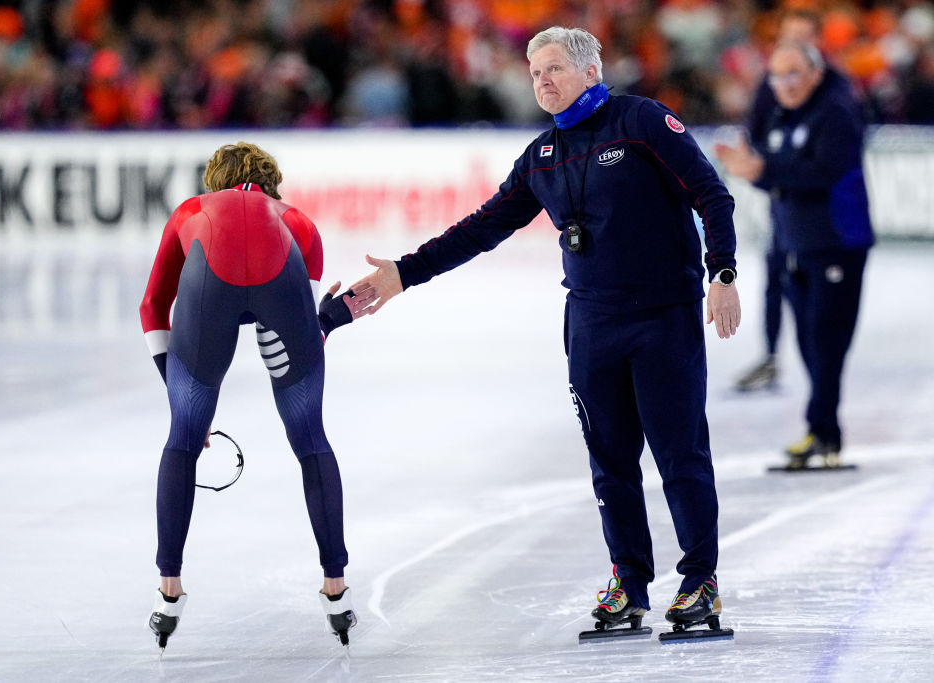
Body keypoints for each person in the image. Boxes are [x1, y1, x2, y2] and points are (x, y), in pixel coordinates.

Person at [350, 26, 741, 636]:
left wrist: (722, 272)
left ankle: (700, 584)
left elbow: (712, 196)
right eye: (534, 73)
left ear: (590, 71)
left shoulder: (640, 122)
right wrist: (406, 272)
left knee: (678, 453)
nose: (543, 81)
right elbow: (481, 228)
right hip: (589, 325)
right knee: (610, 462)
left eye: (554, 68)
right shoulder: (541, 157)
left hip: (662, 320)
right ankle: (630, 583)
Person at [138, 142, 364, 650]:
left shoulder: (191, 212)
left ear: (214, 183)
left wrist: (174, 386)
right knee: (310, 441)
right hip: (281, 290)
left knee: (182, 442)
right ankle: (337, 590)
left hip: (205, 295)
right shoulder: (297, 220)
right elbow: (308, 330)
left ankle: (167, 591)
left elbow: (152, 306)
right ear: (271, 183)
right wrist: (329, 318)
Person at [715, 41, 873, 468]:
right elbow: (781, 179)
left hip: (838, 244)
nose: (783, 84)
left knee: (825, 343)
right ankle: (823, 433)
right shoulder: (783, 116)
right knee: (808, 342)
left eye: (793, 73)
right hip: (796, 245)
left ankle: (823, 433)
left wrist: (764, 170)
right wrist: (755, 171)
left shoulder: (836, 113)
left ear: (815, 74)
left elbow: (826, 173)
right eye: (776, 75)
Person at [730, 8, 857, 392]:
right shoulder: (772, 85)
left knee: (816, 305)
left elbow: (832, 164)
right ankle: (772, 355)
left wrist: (768, 169)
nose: (796, 46)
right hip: (784, 200)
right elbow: (756, 131)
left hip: (825, 220)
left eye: (804, 37)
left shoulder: (835, 92)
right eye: (789, 38)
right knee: (776, 274)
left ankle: (822, 392)